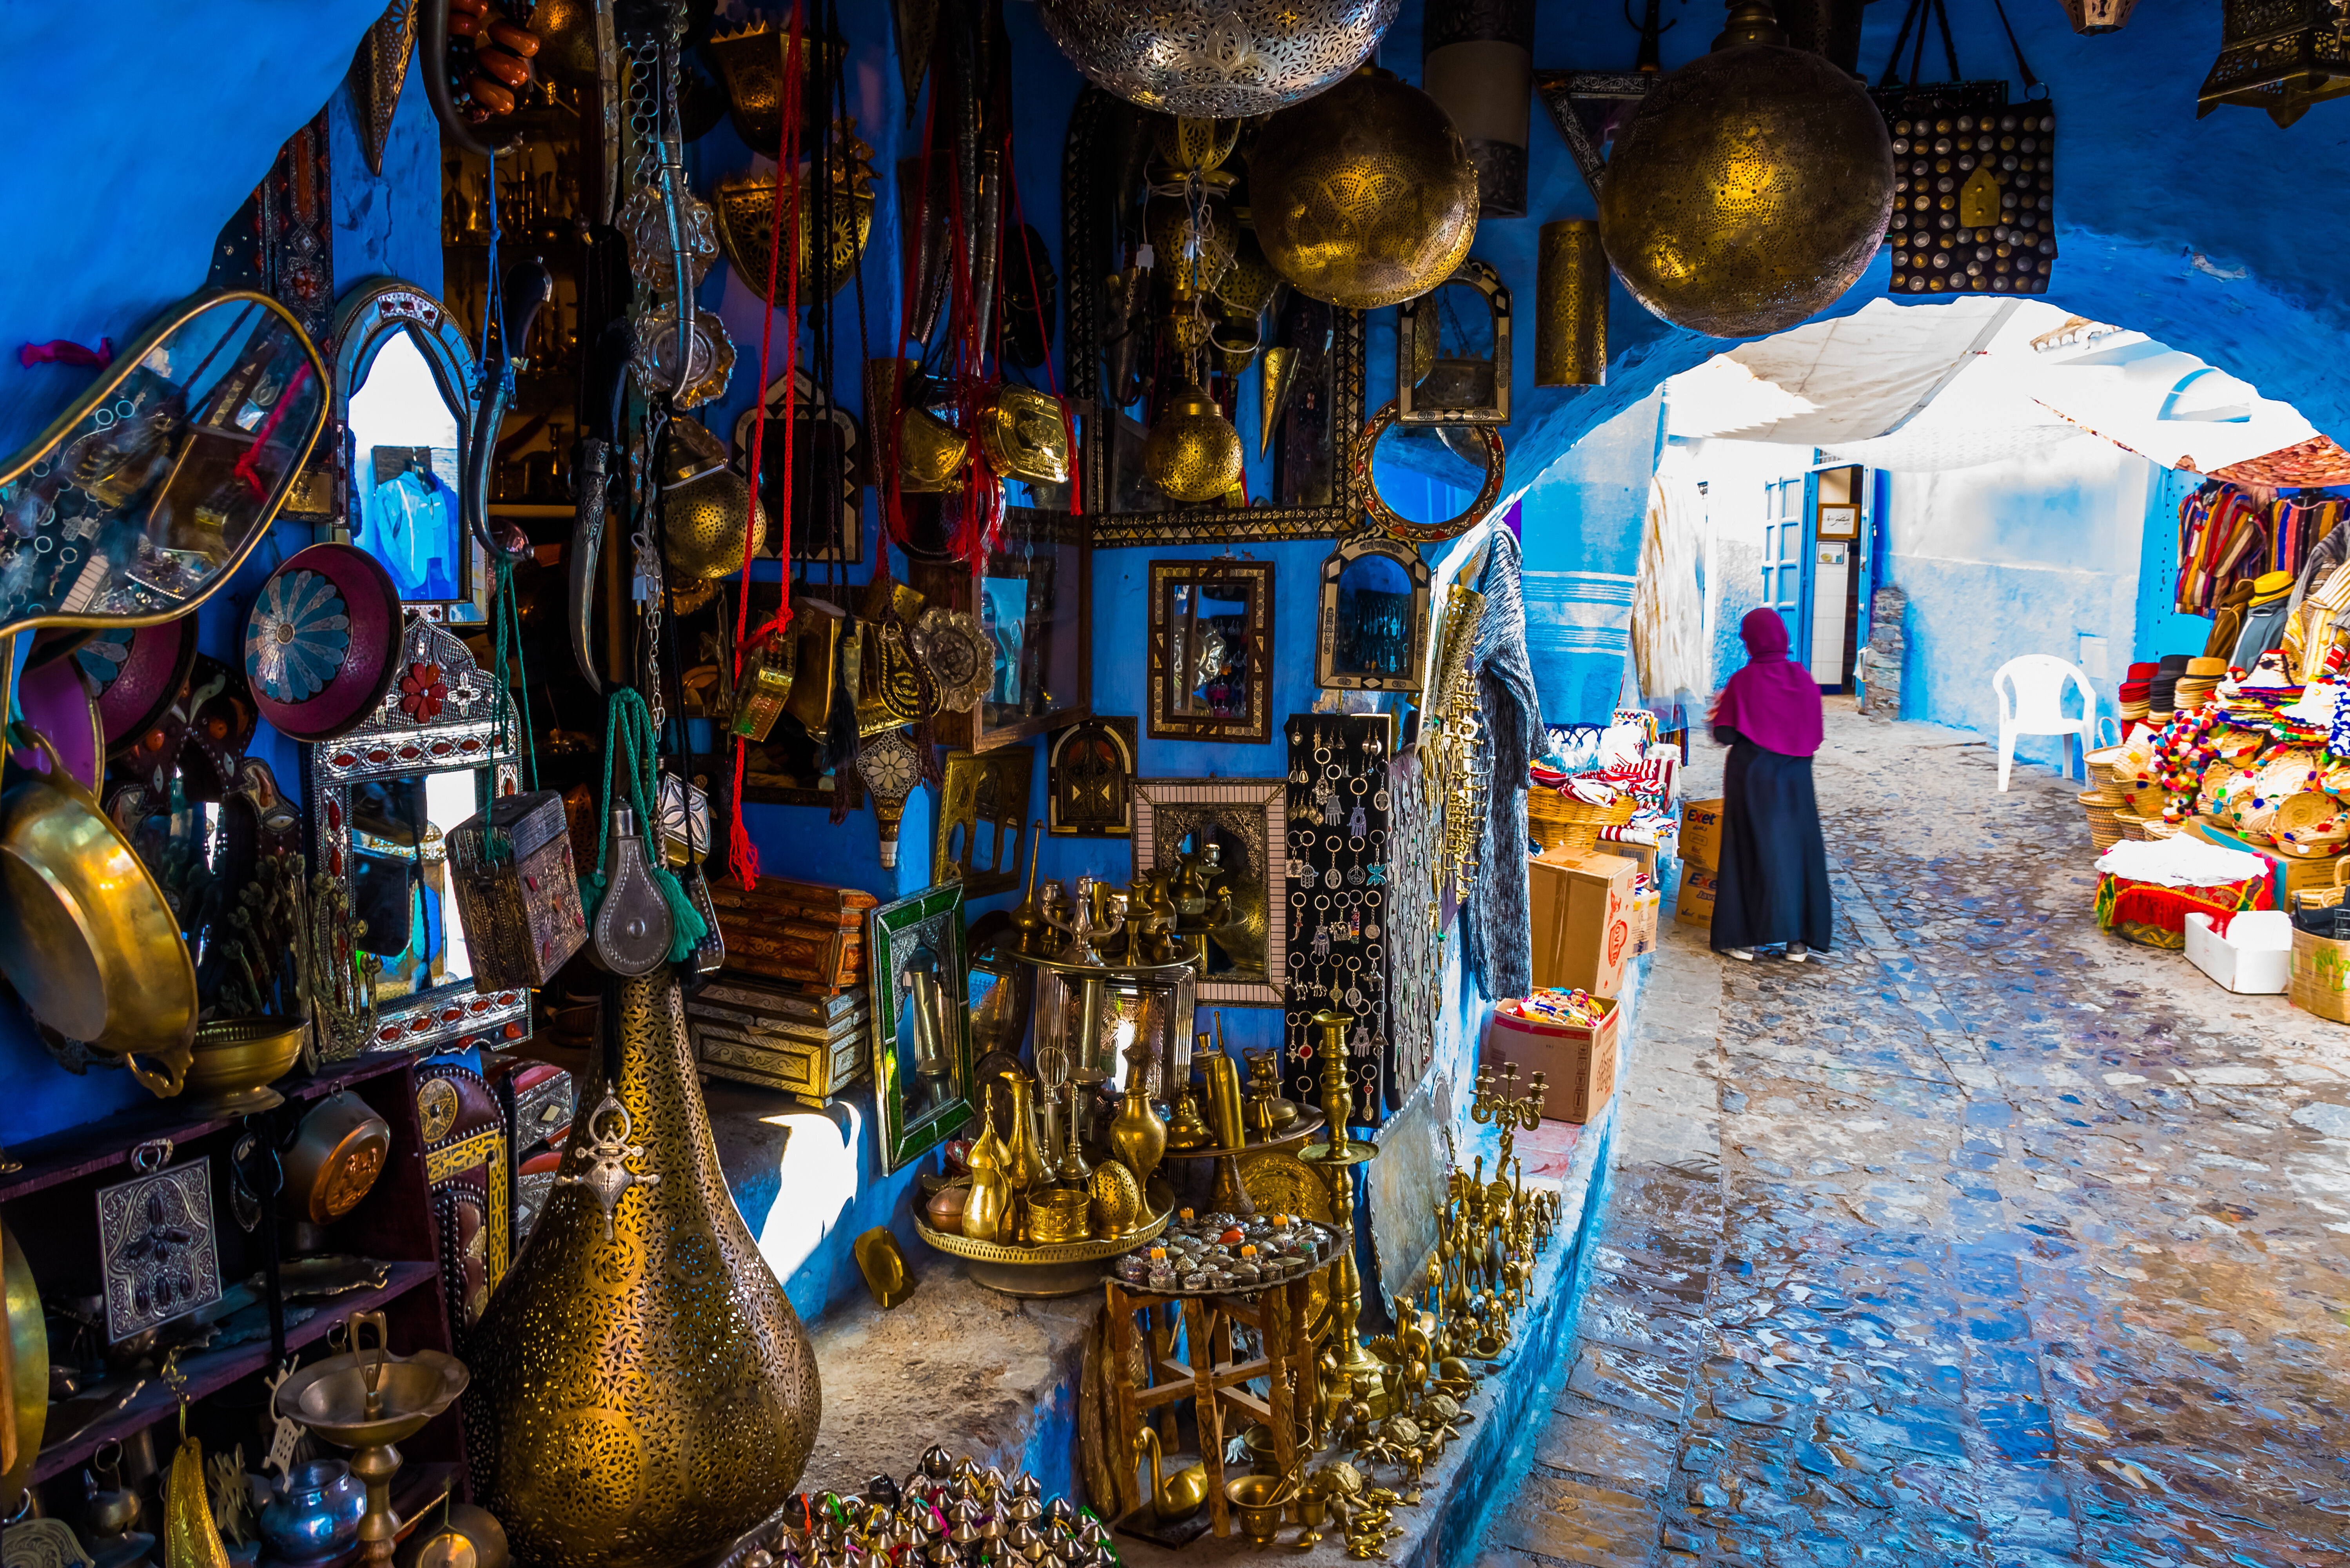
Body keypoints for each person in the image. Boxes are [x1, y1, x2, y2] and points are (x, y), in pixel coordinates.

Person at [1708, 608, 1832, 962]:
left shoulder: (1744, 681)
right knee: (1797, 854)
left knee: (1752, 851)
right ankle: (1798, 942)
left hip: (1753, 780)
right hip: (1796, 781)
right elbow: (1815, 736)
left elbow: (1725, 733)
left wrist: (1718, 711)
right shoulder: (1803, 679)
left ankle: (1745, 940)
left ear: (1752, 641)